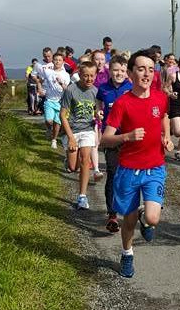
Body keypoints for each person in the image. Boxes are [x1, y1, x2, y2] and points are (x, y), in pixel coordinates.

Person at [100, 51, 174, 278]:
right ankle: (127, 254)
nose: (147, 74)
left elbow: (163, 117)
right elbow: (105, 139)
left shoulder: (161, 98)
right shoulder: (122, 103)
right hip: (129, 169)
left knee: (153, 218)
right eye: (141, 69)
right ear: (131, 74)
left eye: (151, 70)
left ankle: (146, 218)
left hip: (155, 167)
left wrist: (167, 136)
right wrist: (127, 137)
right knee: (128, 221)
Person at [96, 54, 132, 233]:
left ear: (127, 72)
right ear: (109, 71)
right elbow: (97, 104)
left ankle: (129, 209)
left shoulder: (132, 87)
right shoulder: (103, 88)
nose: (119, 73)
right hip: (111, 138)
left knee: (128, 175)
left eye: (122, 71)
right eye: (115, 70)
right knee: (112, 172)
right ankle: (112, 215)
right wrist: (98, 113)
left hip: (130, 137)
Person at [60, 61, 99, 210]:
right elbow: (63, 115)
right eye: (85, 76)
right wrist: (70, 137)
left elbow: (95, 110)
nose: (89, 79)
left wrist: (98, 115)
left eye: (92, 76)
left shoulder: (95, 91)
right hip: (72, 130)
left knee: (85, 160)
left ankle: (82, 196)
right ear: (79, 75)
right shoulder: (71, 90)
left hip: (88, 129)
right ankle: (68, 161)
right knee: (72, 167)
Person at [35, 51, 70, 148]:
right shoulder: (48, 71)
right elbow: (40, 80)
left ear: (63, 62)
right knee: (49, 120)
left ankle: (54, 140)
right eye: (56, 60)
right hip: (49, 100)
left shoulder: (65, 75)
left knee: (57, 122)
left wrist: (60, 83)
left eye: (60, 60)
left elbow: (66, 89)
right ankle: (49, 128)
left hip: (60, 101)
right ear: (52, 61)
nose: (57, 62)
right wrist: (40, 88)